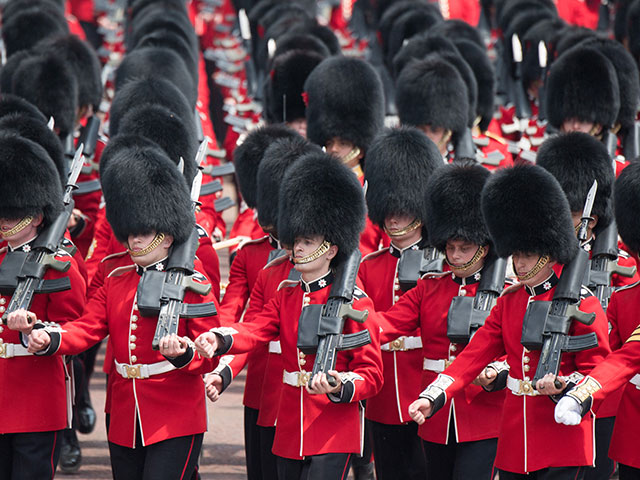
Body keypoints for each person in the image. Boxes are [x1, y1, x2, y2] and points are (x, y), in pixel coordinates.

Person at [14, 144, 220, 480]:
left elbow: (208, 354)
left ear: (167, 237)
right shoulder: (116, 278)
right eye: (131, 234)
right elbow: (89, 326)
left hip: (176, 415)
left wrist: (185, 354)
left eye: (144, 234)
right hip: (124, 412)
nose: (134, 241)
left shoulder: (193, 282)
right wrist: (49, 336)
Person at [409, 164, 611, 479]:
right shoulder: (510, 301)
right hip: (517, 441)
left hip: (563, 436)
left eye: (527, 255)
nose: (518, 263)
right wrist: (434, 394)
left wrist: (566, 386)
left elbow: (598, 369)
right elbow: (473, 356)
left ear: (547, 252)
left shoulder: (582, 302)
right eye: (515, 254)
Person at [196, 152, 383, 480]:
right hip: (290, 427)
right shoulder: (287, 293)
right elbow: (256, 329)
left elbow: (371, 373)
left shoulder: (356, 302)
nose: (296, 248)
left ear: (330, 248)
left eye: (306, 241)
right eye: (295, 240)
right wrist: (221, 338)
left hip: (333, 428)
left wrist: (342, 383)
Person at [376, 162, 506, 479]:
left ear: (484, 247)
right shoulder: (430, 288)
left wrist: (496, 371)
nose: (457, 255)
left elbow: (514, 348)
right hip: (436, 417)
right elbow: (386, 324)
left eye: (465, 248)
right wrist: (347, 325)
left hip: (482, 413)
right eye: (451, 247)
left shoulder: (505, 292)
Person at [357, 126, 442, 480]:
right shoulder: (370, 265)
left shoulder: (440, 265)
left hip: (423, 384)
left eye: (402, 211)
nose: (393, 218)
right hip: (382, 394)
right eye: (388, 209)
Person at [0, 133, 86, 479]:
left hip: (36, 397)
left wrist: (37, 333)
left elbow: (76, 324)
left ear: (35, 216)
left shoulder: (60, 263)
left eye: (13, 214)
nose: (5, 221)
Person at [555, 162, 640, 479]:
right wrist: (578, 388)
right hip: (629, 424)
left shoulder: (623, 281)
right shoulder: (626, 298)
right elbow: (615, 357)